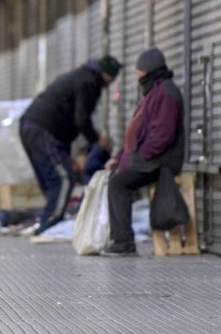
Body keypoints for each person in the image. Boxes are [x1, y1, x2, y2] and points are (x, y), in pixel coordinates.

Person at [19, 56, 122, 235]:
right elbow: (81, 119)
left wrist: (70, 155)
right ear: (108, 75)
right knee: (64, 178)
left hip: (32, 126)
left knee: (52, 180)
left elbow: (70, 121)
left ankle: (47, 220)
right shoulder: (90, 82)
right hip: (43, 129)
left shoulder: (82, 76)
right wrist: (97, 141)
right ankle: (49, 225)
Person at [102, 47, 184, 256]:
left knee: (118, 183)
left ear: (149, 71)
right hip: (149, 158)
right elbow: (135, 134)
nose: (138, 77)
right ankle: (121, 239)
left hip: (161, 160)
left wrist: (140, 157)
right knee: (116, 177)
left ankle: (123, 243)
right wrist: (119, 157)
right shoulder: (152, 92)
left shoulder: (165, 92)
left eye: (140, 73)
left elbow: (162, 136)